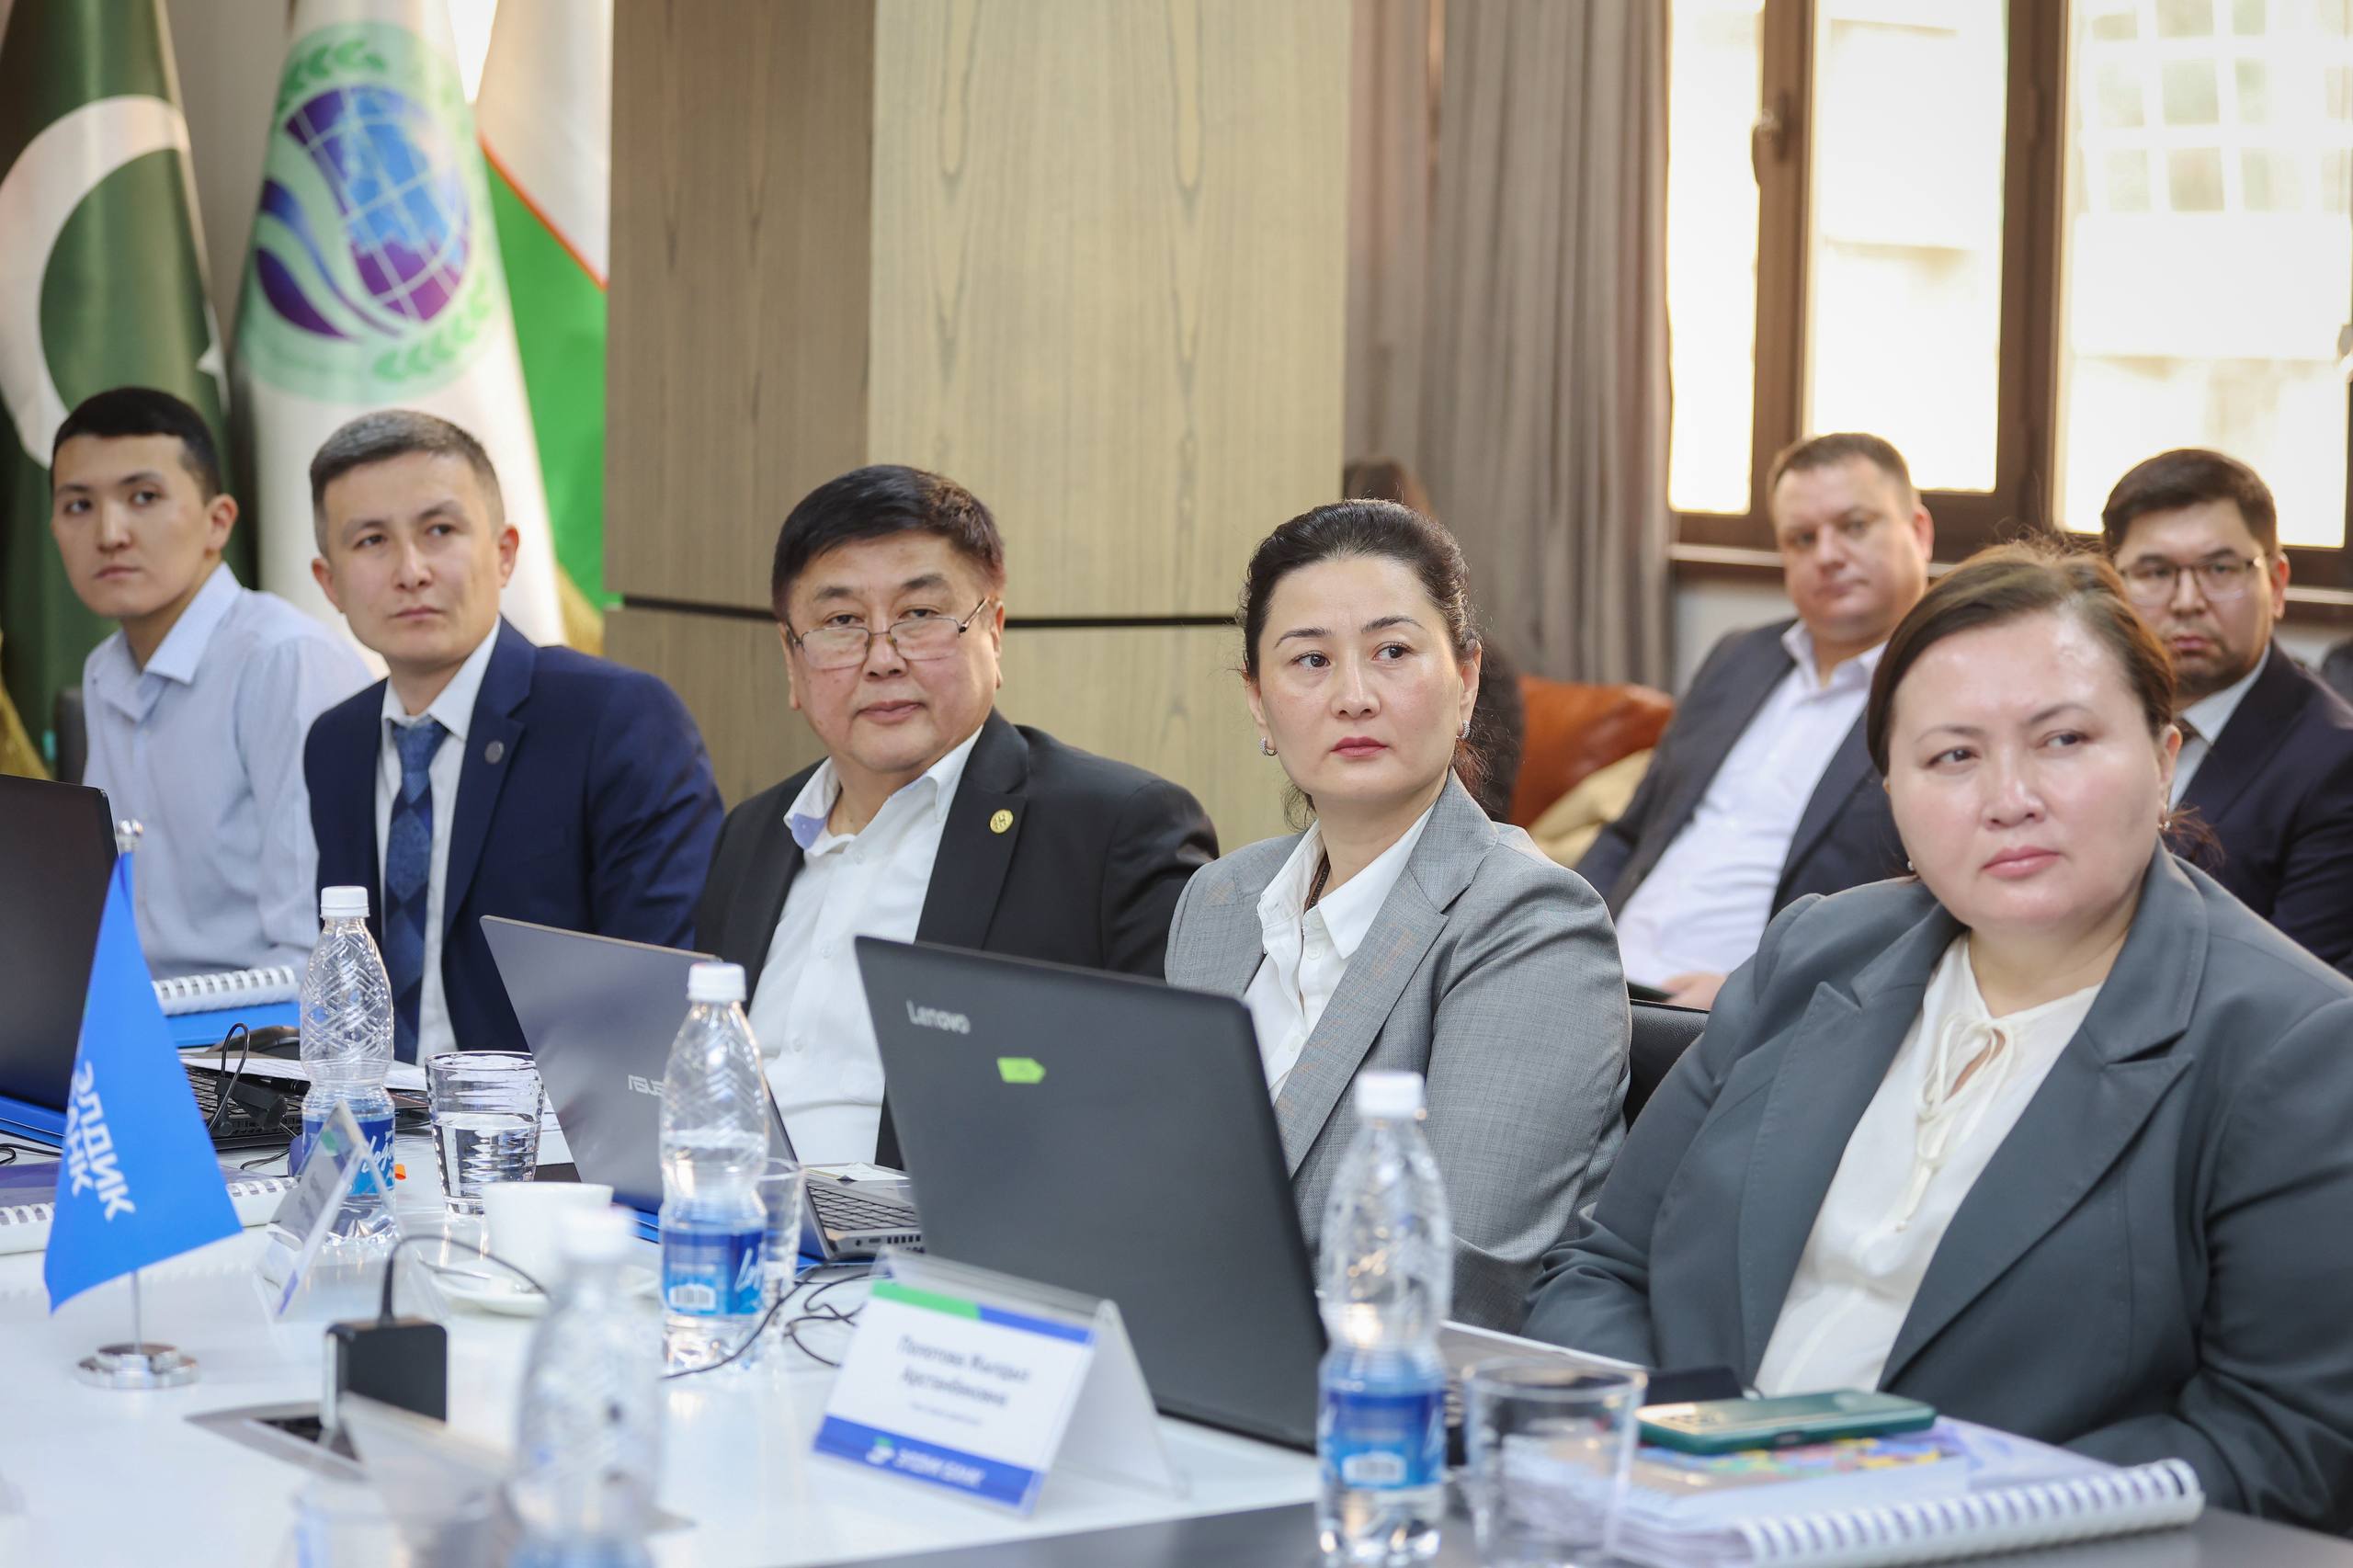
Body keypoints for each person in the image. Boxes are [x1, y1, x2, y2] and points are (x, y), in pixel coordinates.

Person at [1524, 543, 2353, 1531]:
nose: (2010, 798)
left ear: (2165, 757)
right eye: (1953, 755)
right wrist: (1685, 1465)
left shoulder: (2295, 1043)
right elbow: (1605, 1267)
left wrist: (1900, 1506)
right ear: (1893, 794)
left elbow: (2281, 1442)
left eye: (2064, 739)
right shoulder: (1814, 954)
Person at [1164, 500, 1627, 1331]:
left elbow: (1449, 1273)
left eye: (1393, 652)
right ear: (1259, 702)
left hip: (1393, 1386)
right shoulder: (1219, 901)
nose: (1353, 697)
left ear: (1466, 681)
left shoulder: (1532, 923)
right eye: (1310, 660)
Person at [694, 465, 1217, 1167]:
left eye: (919, 615)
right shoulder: (754, 833)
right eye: (842, 622)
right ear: (792, 660)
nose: (882, 659)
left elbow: (1167, 1118)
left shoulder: (1113, 831)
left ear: (993, 632)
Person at [304, 411, 722, 1061]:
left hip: (551, 1115)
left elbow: (660, 997)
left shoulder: (616, 720)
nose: (411, 570)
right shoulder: (336, 744)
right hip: (379, 1108)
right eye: (371, 541)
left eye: (439, 531)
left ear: (504, 554)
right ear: (329, 582)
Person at [1579, 433, 1927, 1008]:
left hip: (1740, 1011)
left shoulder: (1942, 688)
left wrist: (1752, 991)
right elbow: (1632, 831)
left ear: (1918, 531)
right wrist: (1557, 932)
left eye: (1855, 526)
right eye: (1802, 538)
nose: (1828, 555)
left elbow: (1924, 904)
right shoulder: (1739, 657)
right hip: (1595, 975)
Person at [49, 387, 366, 976]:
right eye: (78, 505)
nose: (110, 533)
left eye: (144, 497)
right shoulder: (103, 669)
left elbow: (316, 944)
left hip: (263, 1021)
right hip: (137, 1009)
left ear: (217, 522)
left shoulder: (283, 660)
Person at [2100, 449, 2353, 974]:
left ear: (2276, 584)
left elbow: (2303, 990)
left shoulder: (2334, 761)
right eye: (2155, 571)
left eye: (2219, 569)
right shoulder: (2082, 721)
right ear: (2114, 589)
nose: (2187, 600)